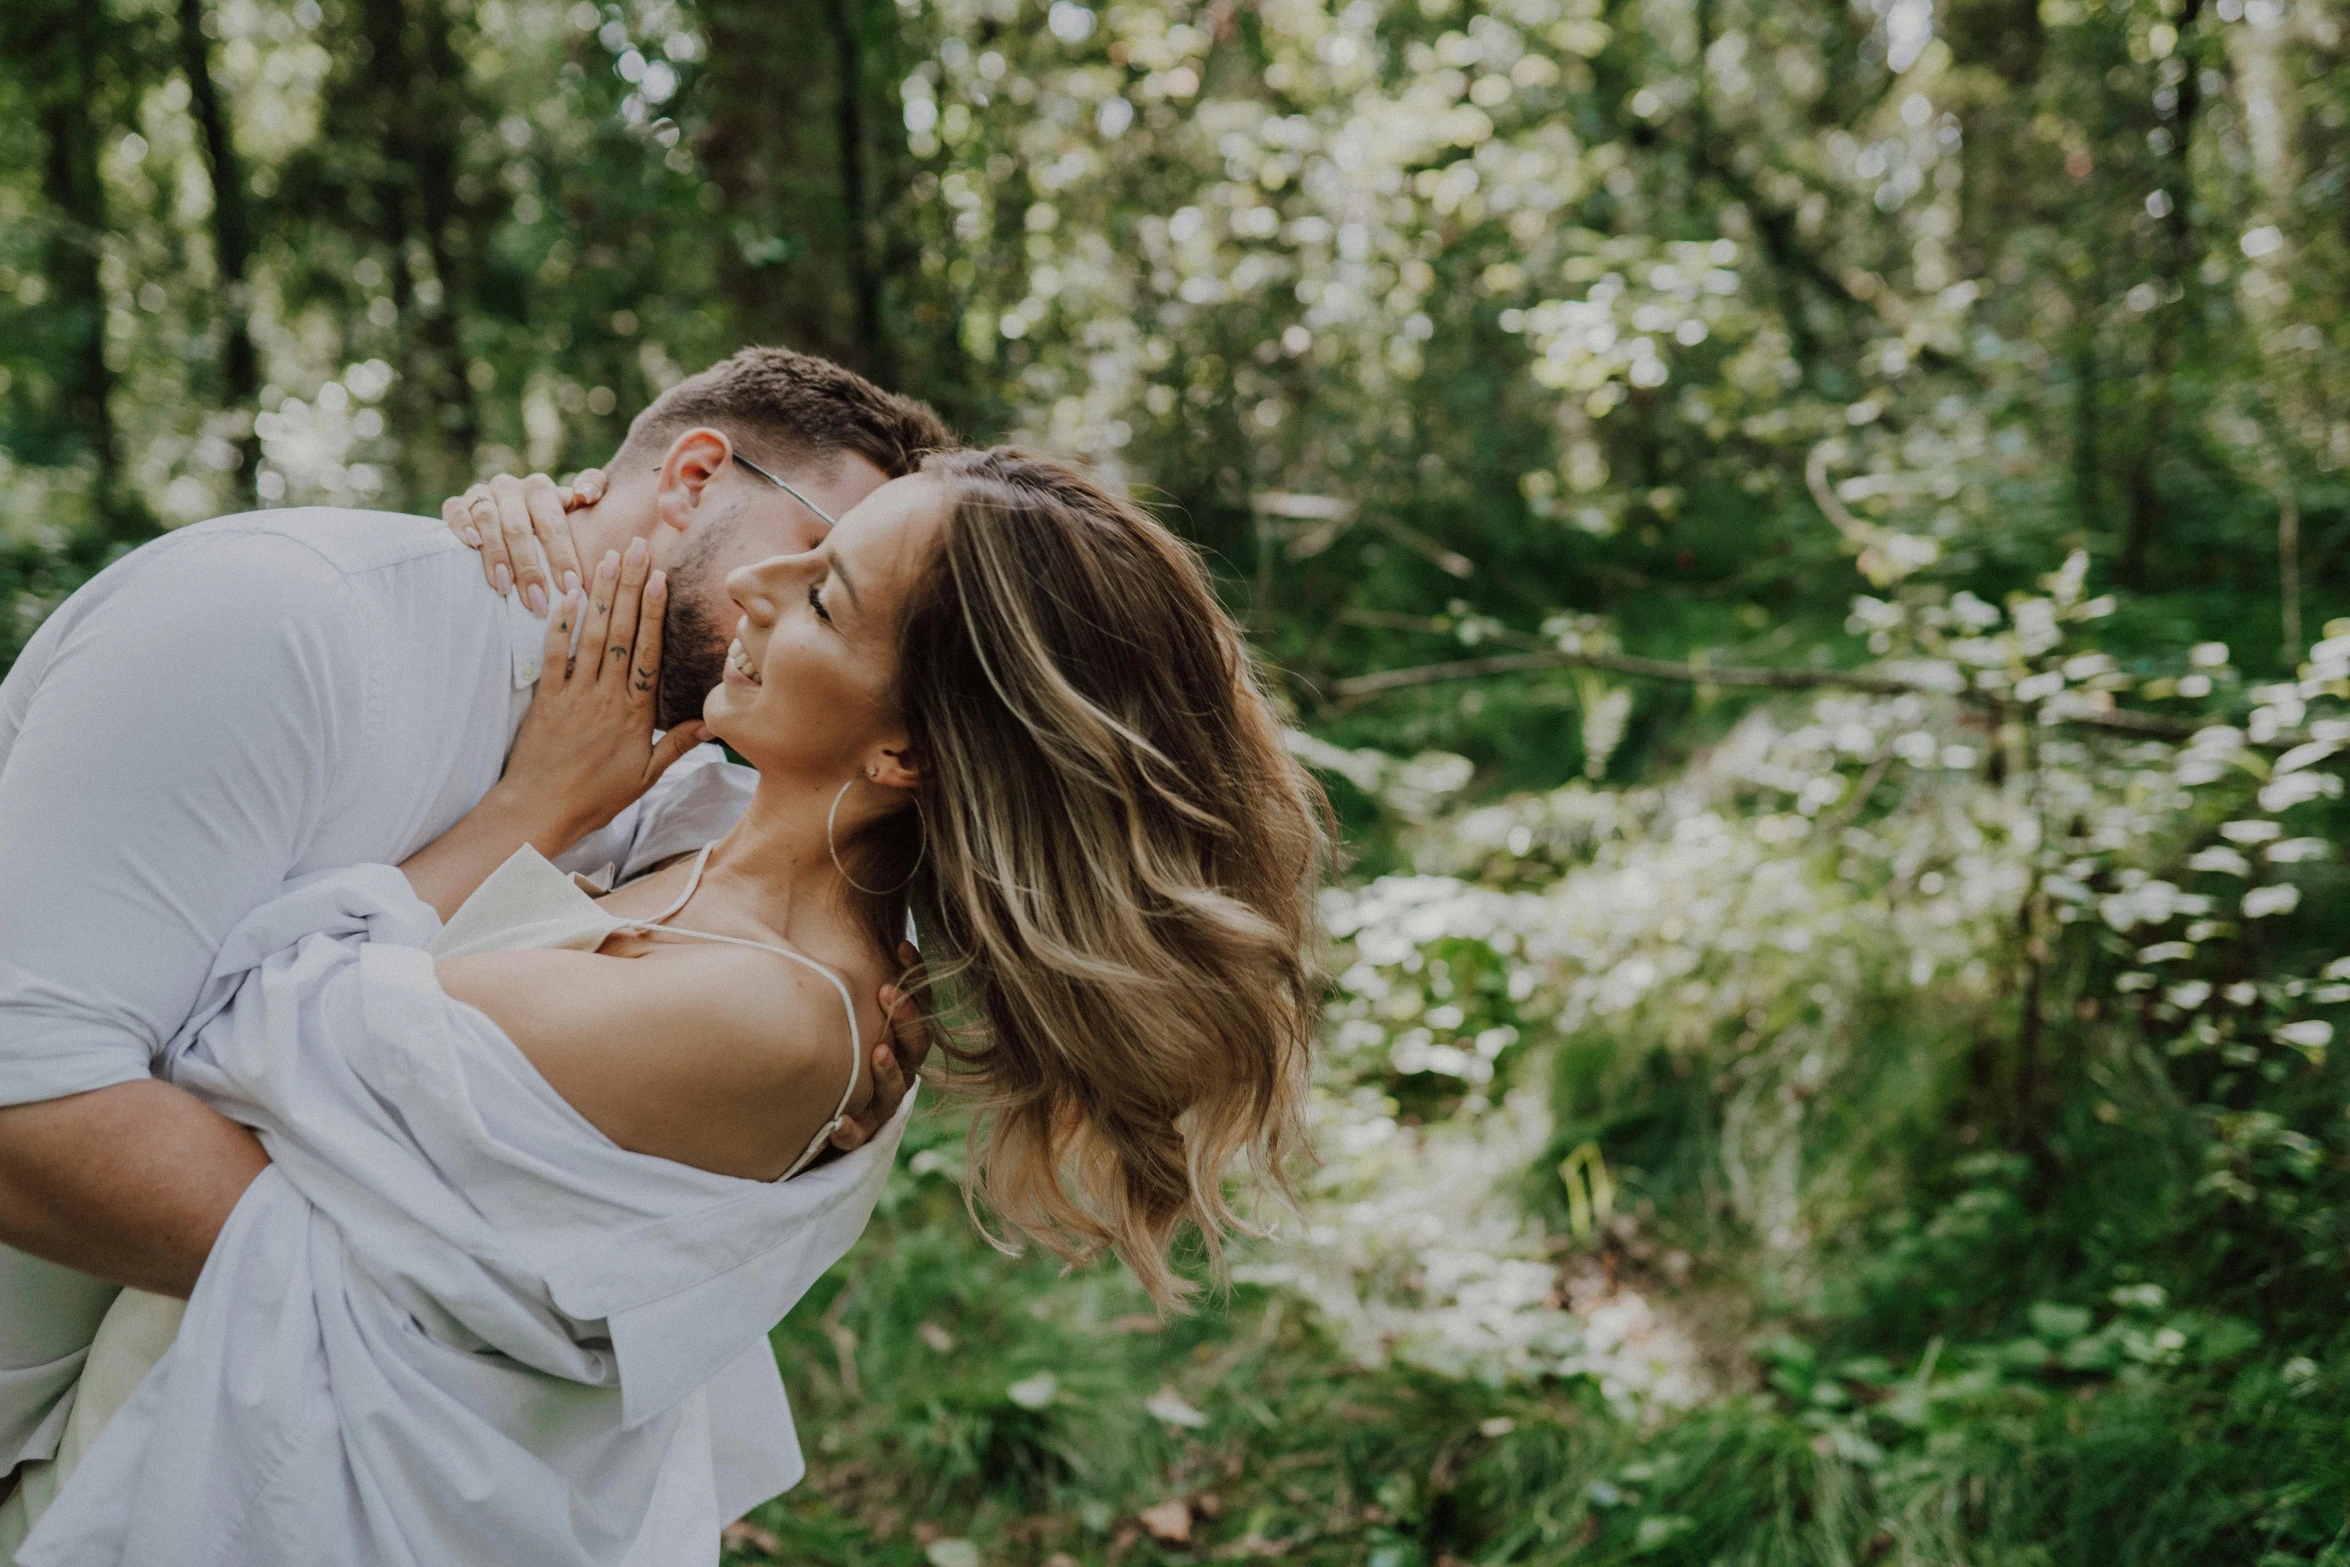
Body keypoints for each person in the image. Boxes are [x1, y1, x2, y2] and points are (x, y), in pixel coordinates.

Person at [10, 447, 1328, 1564]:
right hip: (207, 1384)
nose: (753, 584)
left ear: (906, 750)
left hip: (295, 1486)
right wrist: (546, 515)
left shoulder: (769, 1008)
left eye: (821, 592)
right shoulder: (703, 832)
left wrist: (531, 809)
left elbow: (232, 1032)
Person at [0, 348, 949, 1503]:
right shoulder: (280, 620)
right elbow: (22, 1101)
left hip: (233, 1450)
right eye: (808, 546)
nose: (777, 589)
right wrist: (479, 1329)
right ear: (694, 478)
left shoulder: (706, 780)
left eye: (829, 584)